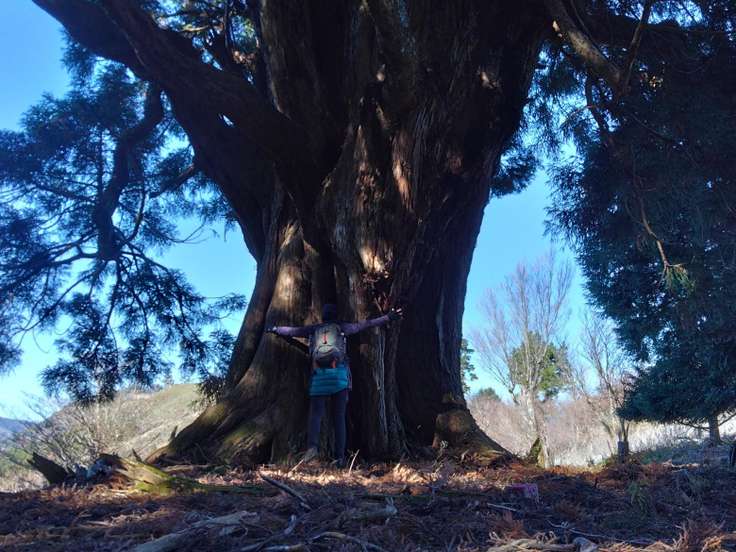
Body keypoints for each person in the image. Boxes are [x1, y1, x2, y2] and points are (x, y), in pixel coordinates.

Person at [267, 304, 402, 468]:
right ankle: (340, 458)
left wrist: (275, 329)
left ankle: (312, 449)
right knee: (339, 418)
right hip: (339, 377)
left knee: (315, 415)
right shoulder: (342, 327)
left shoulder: (315, 329)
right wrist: (388, 317)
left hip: (319, 377)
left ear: (323, 316)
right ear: (335, 315)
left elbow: (293, 331)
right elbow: (366, 324)